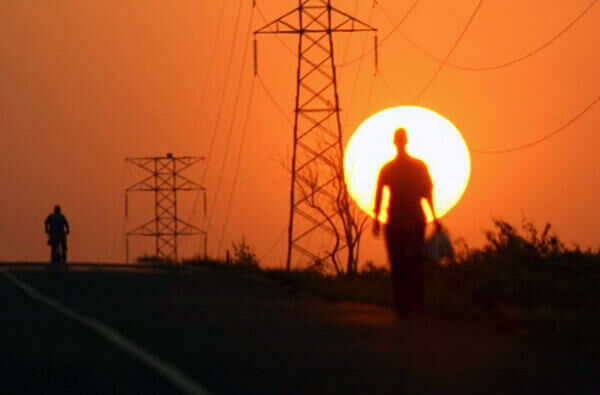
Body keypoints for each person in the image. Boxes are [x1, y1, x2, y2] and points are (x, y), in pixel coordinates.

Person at [373, 128, 439, 315]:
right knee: (410, 263)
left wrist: (377, 220)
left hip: (402, 221)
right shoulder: (415, 166)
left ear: (396, 142)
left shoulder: (391, 168)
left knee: (402, 264)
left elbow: (427, 193)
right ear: (404, 141)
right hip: (407, 221)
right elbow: (428, 194)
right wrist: (434, 217)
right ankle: (412, 304)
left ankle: (407, 304)